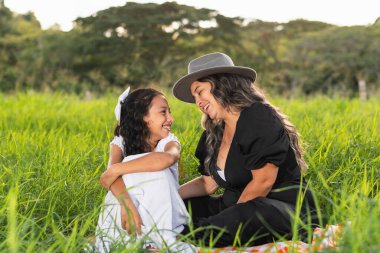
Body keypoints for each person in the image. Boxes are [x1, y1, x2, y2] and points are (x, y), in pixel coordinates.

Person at [172, 52, 320, 247]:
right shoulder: (214, 131)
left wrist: (228, 220)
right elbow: (208, 184)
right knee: (185, 206)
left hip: (276, 209)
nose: (198, 101)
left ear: (222, 83)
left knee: (245, 215)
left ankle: (180, 241)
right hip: (235, 207)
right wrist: (168, 196)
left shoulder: (257, 117)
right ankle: (188, 233)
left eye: (200, 91)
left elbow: (263, 182)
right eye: (194, 96)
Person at [95, 88, 193, 252]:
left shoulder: (168, 142)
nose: (171, 118)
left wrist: (117, 169)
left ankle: (157, 241)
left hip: (162, 216)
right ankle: (125, 239)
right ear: (142, 117)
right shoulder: (121, 142)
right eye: (163, 112)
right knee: (123, 178)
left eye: (169, 112)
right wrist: (126, 204)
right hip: (127, 212)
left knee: (155, 169)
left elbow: (167, 158)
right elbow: (110, 180)